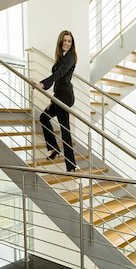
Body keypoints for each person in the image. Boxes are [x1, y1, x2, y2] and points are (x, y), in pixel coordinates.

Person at [32, 30, 79, 172]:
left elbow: (59, 75)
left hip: (65, 97)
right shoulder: (61, 57)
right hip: (58, 96)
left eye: (69, 41)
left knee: (65, 129)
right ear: (60, 42)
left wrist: (42, 84)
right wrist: (53, 100)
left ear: (72, 44)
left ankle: (71, 166)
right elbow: (57, 78)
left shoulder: (70, 57)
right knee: (44, 117)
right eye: (64, 41)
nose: (66, 43)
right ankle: (54, 148)